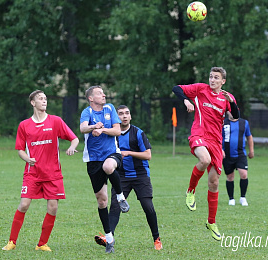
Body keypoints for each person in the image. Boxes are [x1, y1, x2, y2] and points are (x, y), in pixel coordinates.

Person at [2, 90, 79, 252]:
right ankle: (11, 242)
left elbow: (74, 138)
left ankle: (42, 244)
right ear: (32, 102)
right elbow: (20, 150)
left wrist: (72, 147)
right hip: (32, 173)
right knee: (24, 204)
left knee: (53, 208)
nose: (44, 101)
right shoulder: (24, 125)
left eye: (45, 99)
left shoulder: (55, 121)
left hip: (53, 174)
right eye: (40, 99)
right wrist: (27, 159)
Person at [172, 67, 239, 241]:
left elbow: (235, 117)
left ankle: (211, 222)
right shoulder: (201, 89)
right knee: (204, 159)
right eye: (211, 77)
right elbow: (176, 88)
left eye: (216, 78)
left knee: (214, 183)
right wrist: (186, 101)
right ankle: (190, 191)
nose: (212, 80)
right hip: (199, 135)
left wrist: (231, 102)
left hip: (216, 142)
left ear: (223, 81)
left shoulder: (227, 98)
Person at [94, 105, 163, 251]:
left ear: (130, 116)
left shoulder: (138, 133)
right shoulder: (113, 134)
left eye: (127, 113)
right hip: (121, 177)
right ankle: (109, 237)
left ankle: (156, 239)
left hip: (140, 176)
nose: (124, 116)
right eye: (120, 114)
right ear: (116, 117)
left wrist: (129, 153)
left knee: (148, 207)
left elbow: (148, 155)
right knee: (114, 207)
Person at [79, 86, 130, 254]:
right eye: (100, 93)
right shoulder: (87, 112)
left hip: (112, 154)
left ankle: (121, 198)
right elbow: (83, 128)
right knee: (102, 202)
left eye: (103, 93)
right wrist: (94, 127)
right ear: (91, 98)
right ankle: (109, 238)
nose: (104, 95)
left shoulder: (110, 108)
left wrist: (102, 130)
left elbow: (117, 130)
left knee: (108, 166)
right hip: (93, 160)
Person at [222, 111, 254, 206]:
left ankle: (243, 197)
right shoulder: (223, 123)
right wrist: (220, 149)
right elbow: (217, 137)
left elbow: (249, 136)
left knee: (244, 174)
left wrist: (251, 150)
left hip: (240, 154)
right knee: (230, 177)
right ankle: (231, 198)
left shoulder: (244, 123)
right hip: (227, 154)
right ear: (227, 112)